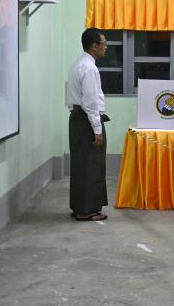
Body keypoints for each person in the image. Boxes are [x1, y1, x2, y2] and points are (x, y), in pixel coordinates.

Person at [66, 28, 109, 221]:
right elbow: (91, 102)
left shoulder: (78, 63)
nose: (106, 47)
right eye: (104, 44)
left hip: (77, 119)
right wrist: (97, 131)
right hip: (87, 122)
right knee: (92, 165)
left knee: (80, 165)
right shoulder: (90, 68)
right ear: (94, 46)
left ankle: (79, 207)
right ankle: (87, 210)